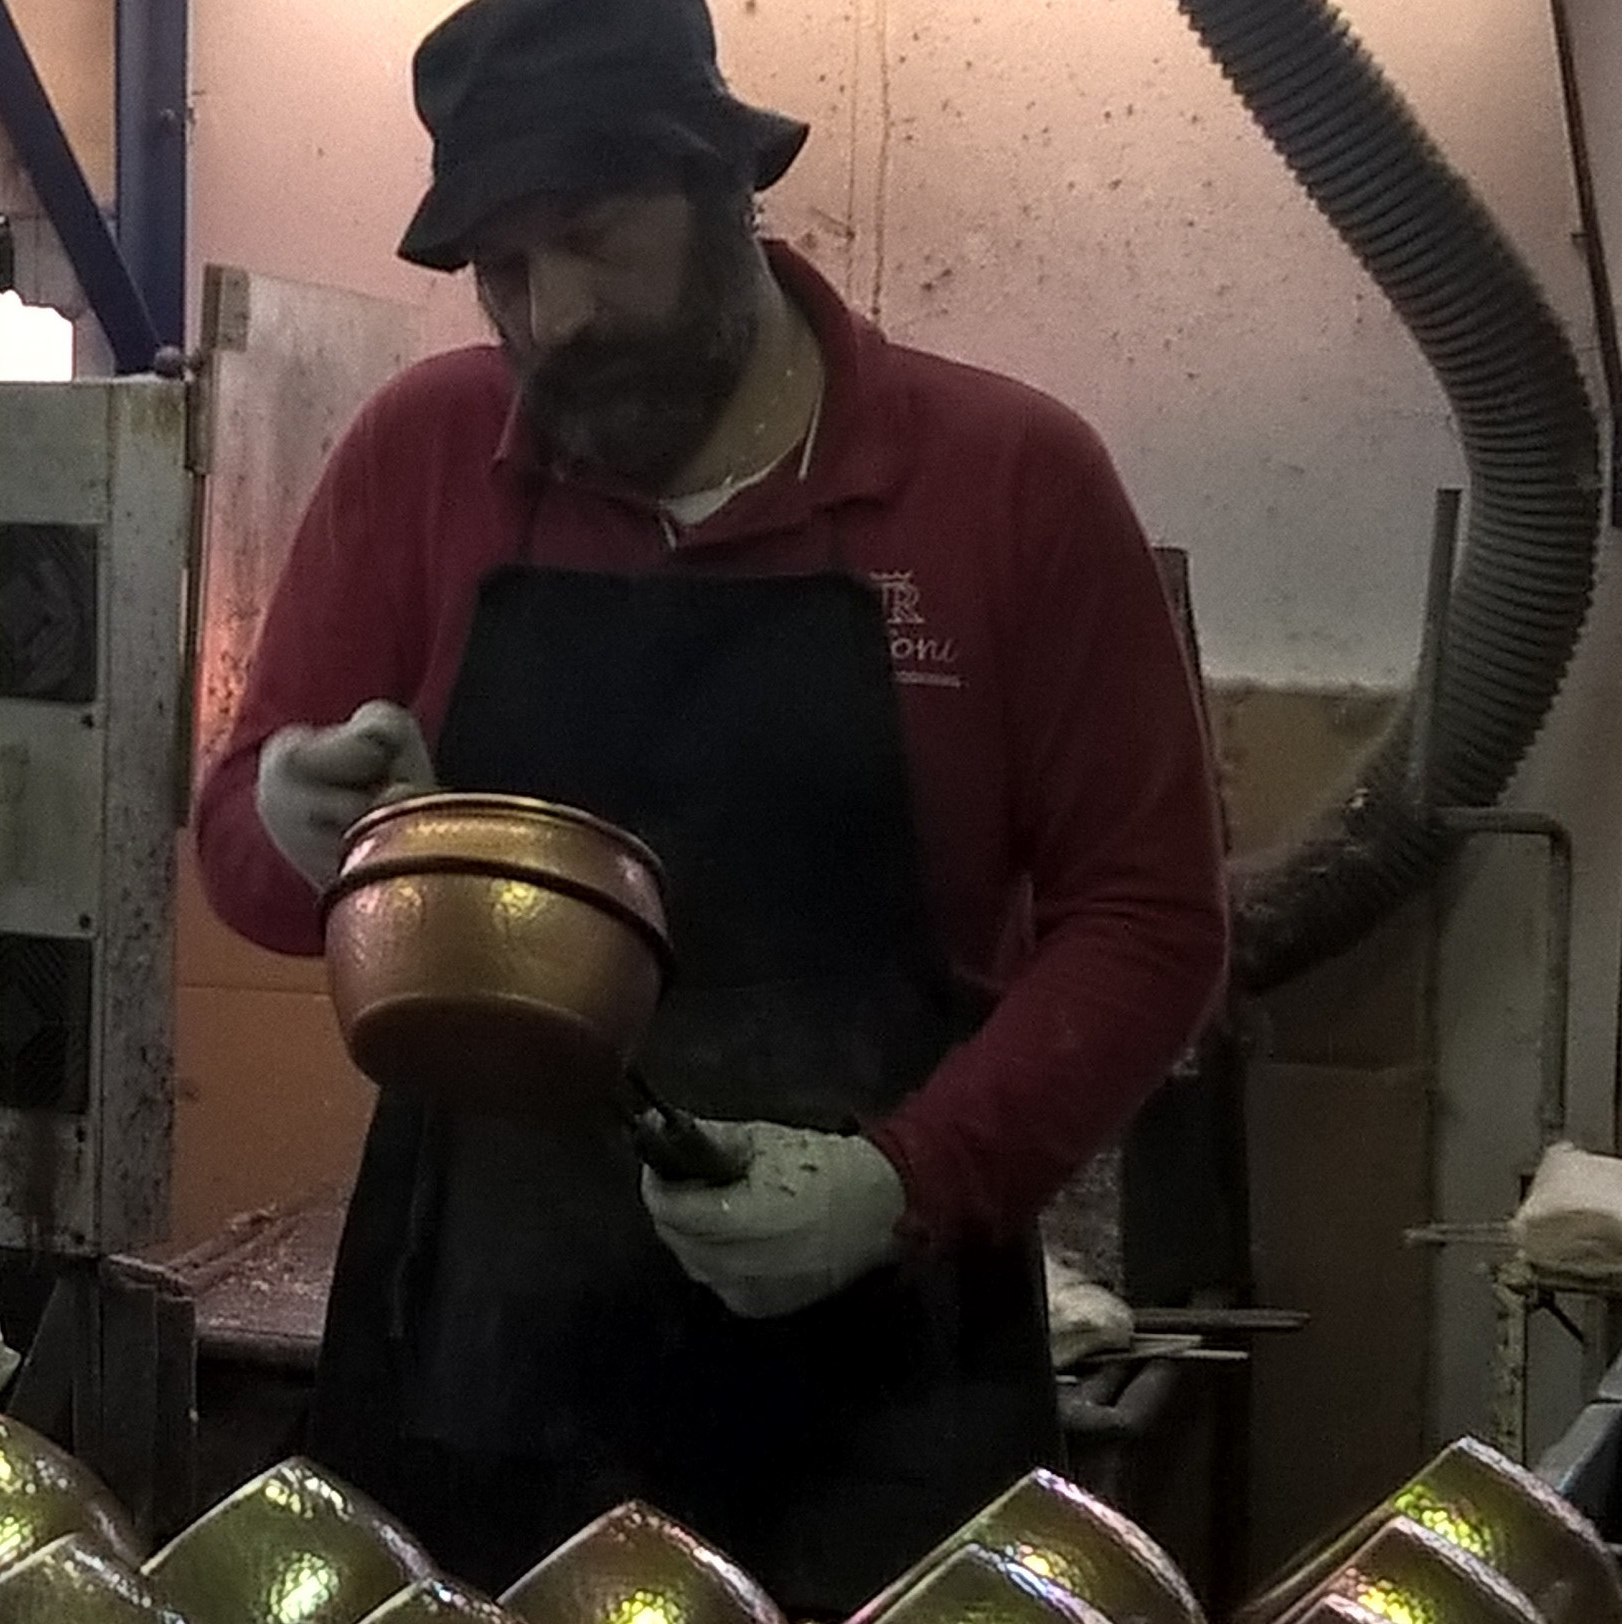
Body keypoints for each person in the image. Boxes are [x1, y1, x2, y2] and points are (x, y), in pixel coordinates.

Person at [193, 0, 1229, 1609]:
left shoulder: (1006, 479)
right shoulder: (422, 456)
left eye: (593, 240)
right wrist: (292, 814)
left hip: (883, 1379)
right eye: (501, 271)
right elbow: (244, 860)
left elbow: (1152, 922)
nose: (552, 316)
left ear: (726, 191)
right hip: (483, 1370)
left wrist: (910, 1179)